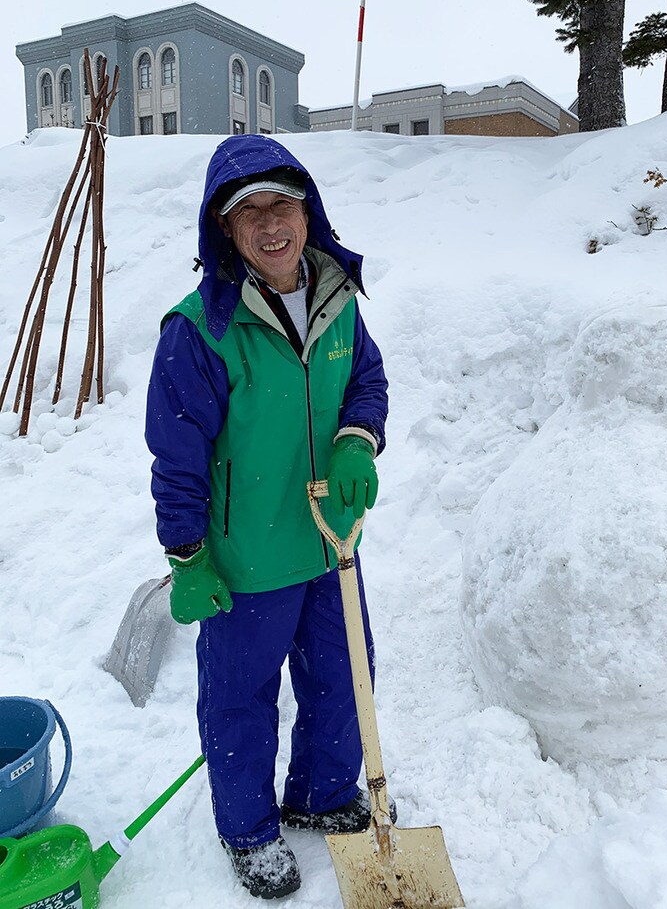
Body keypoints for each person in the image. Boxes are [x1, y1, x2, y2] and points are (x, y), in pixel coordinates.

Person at [145, 134, 390, 899]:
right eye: (246, 212)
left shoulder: (337, 298)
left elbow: (367, 383)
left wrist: (356, 443)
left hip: (329, 543)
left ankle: (321, 795)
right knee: (240, 699)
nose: (268, 223)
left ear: (307, 210)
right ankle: (248, 829)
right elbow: (177, 453)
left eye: (280, 204)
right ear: (223, 229)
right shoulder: (200, 329)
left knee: (345, 678)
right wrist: (188, 555)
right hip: (247, 555)